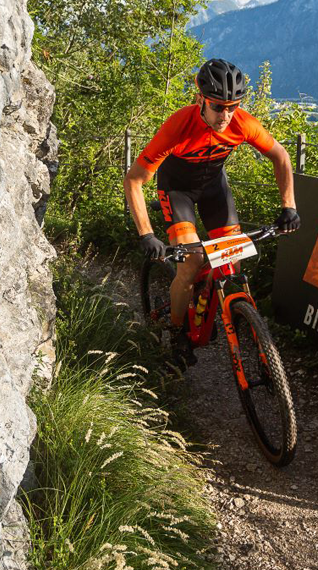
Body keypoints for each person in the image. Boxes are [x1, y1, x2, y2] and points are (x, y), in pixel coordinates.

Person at [124, 58, 301, 366]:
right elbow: (135, 179)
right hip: (176, 190)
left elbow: (281, 157)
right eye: (218, 106)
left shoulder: (242, 123)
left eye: (232, 106)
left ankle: (211, 304)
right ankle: (177, 330)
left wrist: (289, 206)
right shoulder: (178, 126)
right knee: (191, 262)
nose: (225, 115)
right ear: (201, 99)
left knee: (230, 259)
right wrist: (147, 233)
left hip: (214, 190)